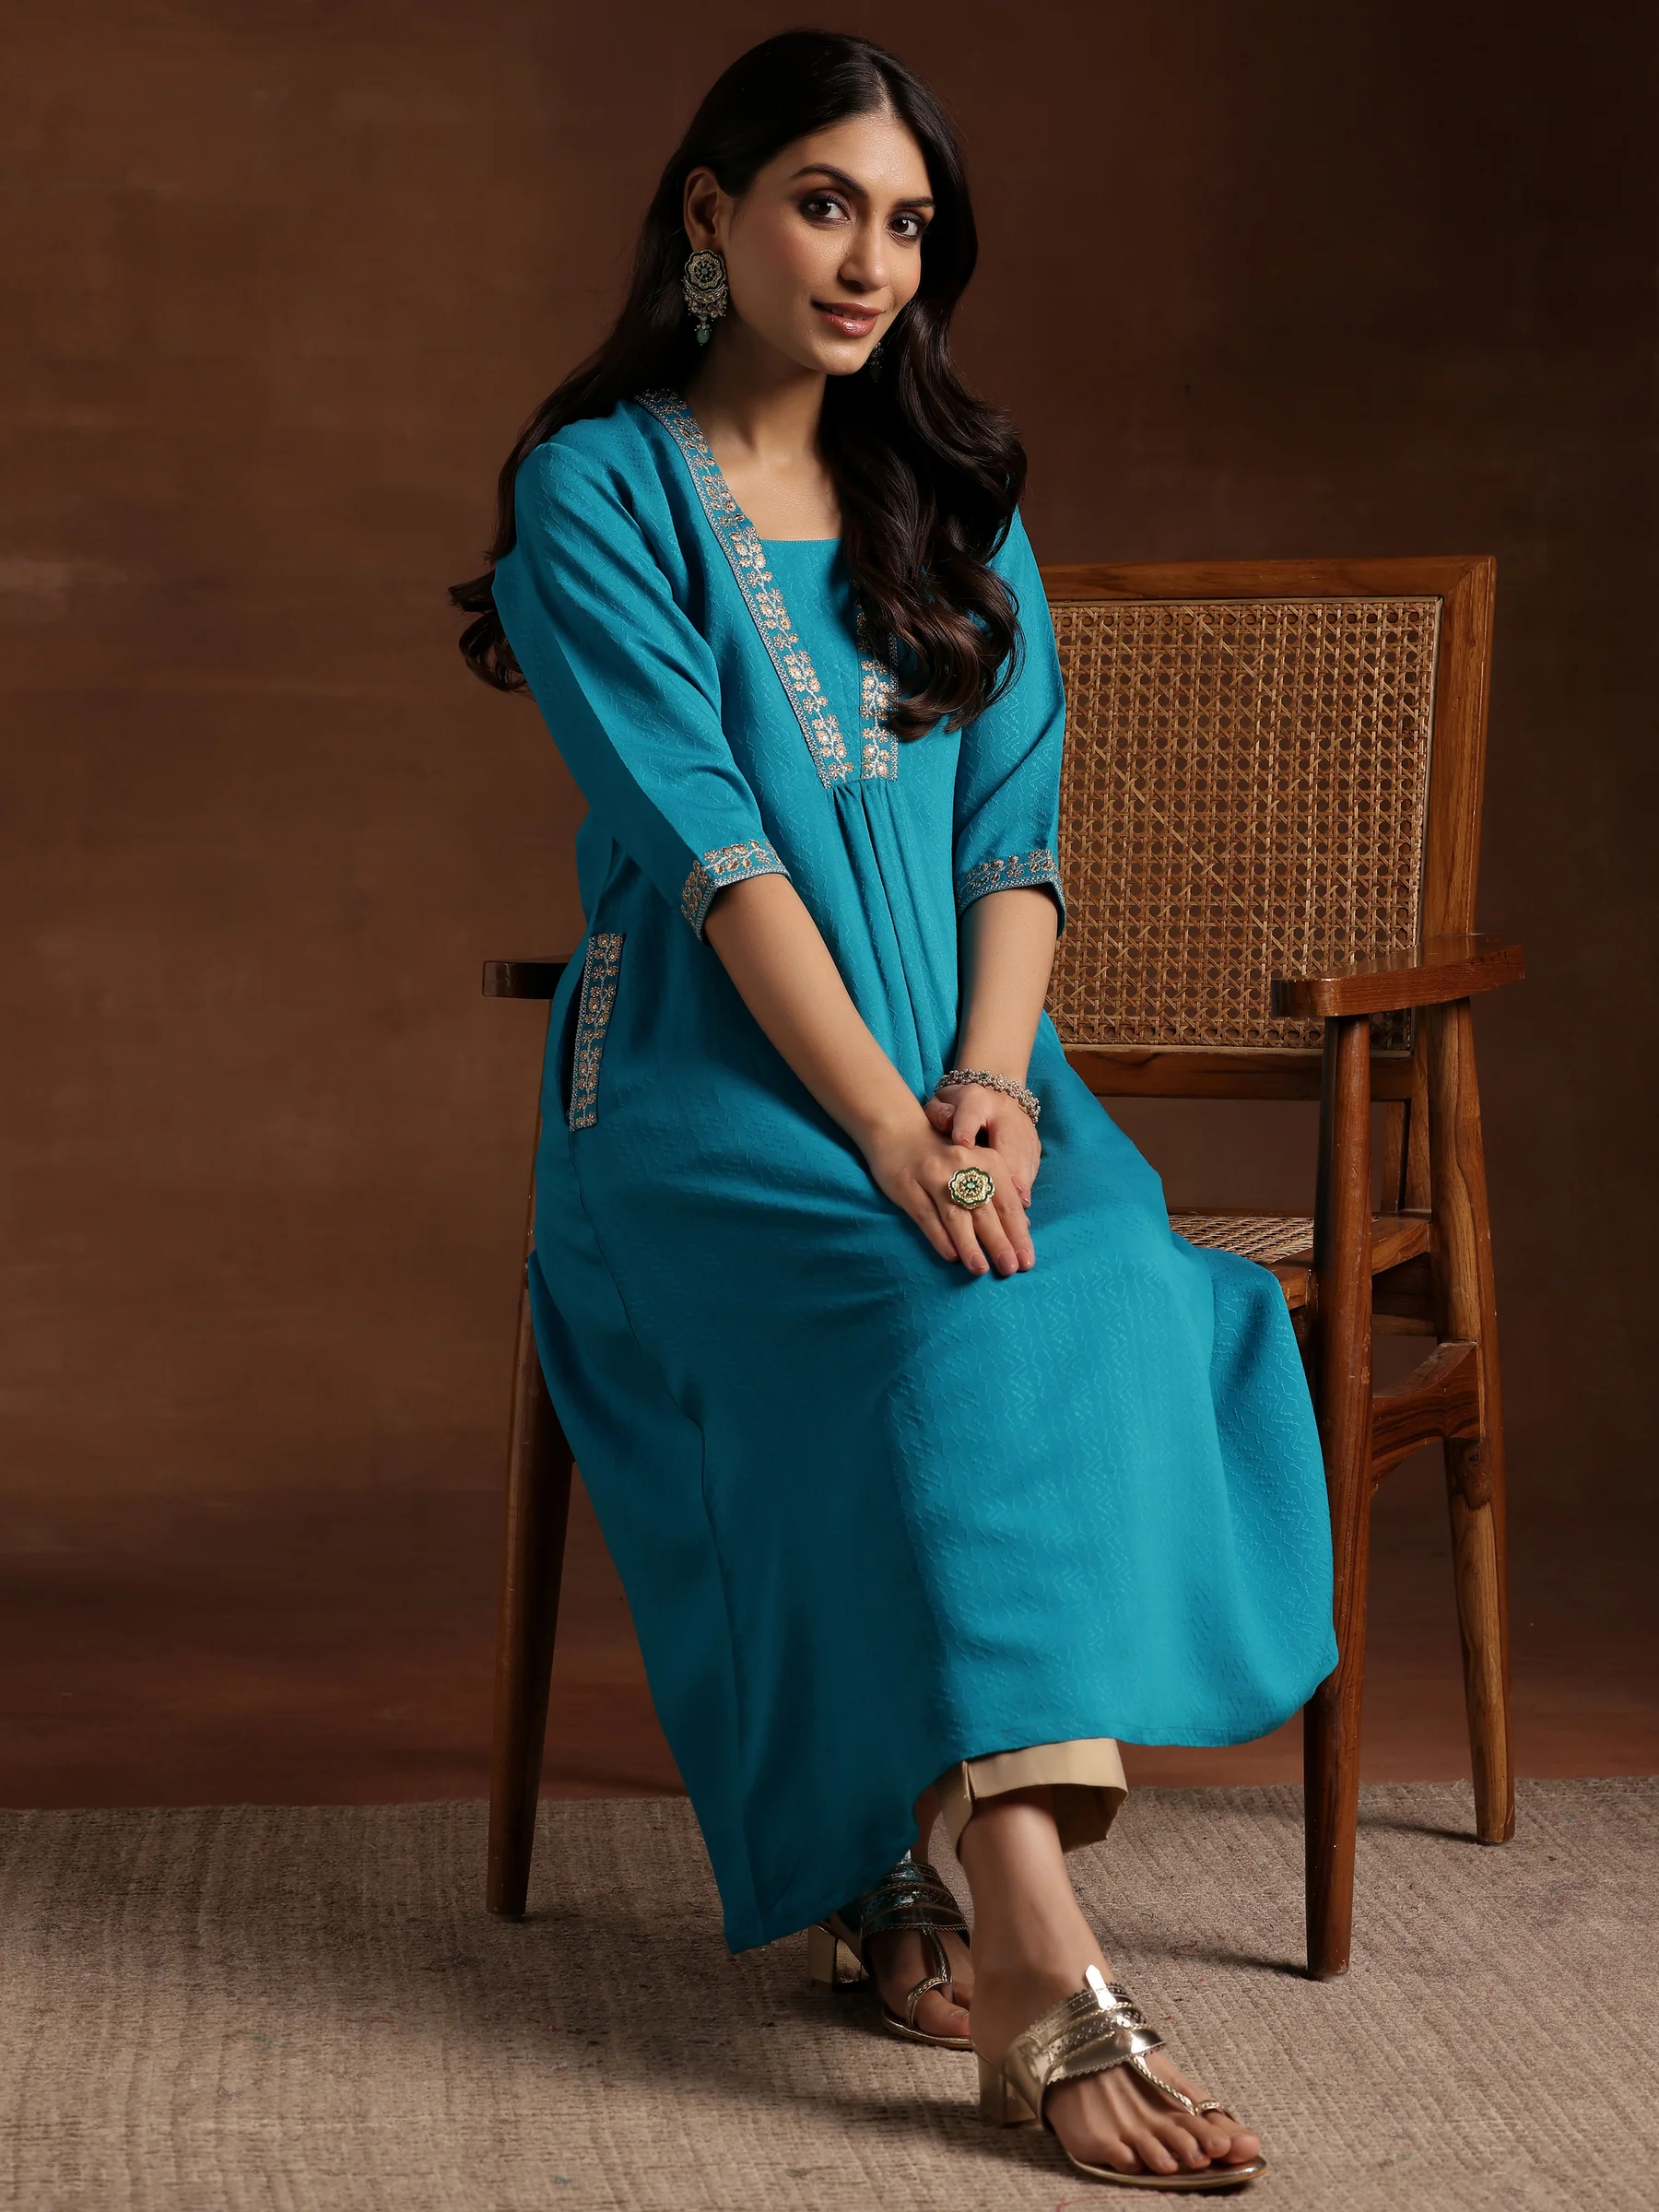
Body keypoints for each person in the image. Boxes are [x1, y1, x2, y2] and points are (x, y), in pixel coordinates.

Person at [453, 29, 1335, 2190]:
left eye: (908, 223)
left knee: (1081, 1279)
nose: (868, 261)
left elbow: (1015, 846)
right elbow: (717, 853)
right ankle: (1036, 1947)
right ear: (711, 213)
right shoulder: (596, 491)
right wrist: (881, 1134)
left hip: (972, 1069)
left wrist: (988, 1089)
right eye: (824, 203)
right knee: (936, 1308)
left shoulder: (959, 498)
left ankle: (943, 1874)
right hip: (708, 1088)